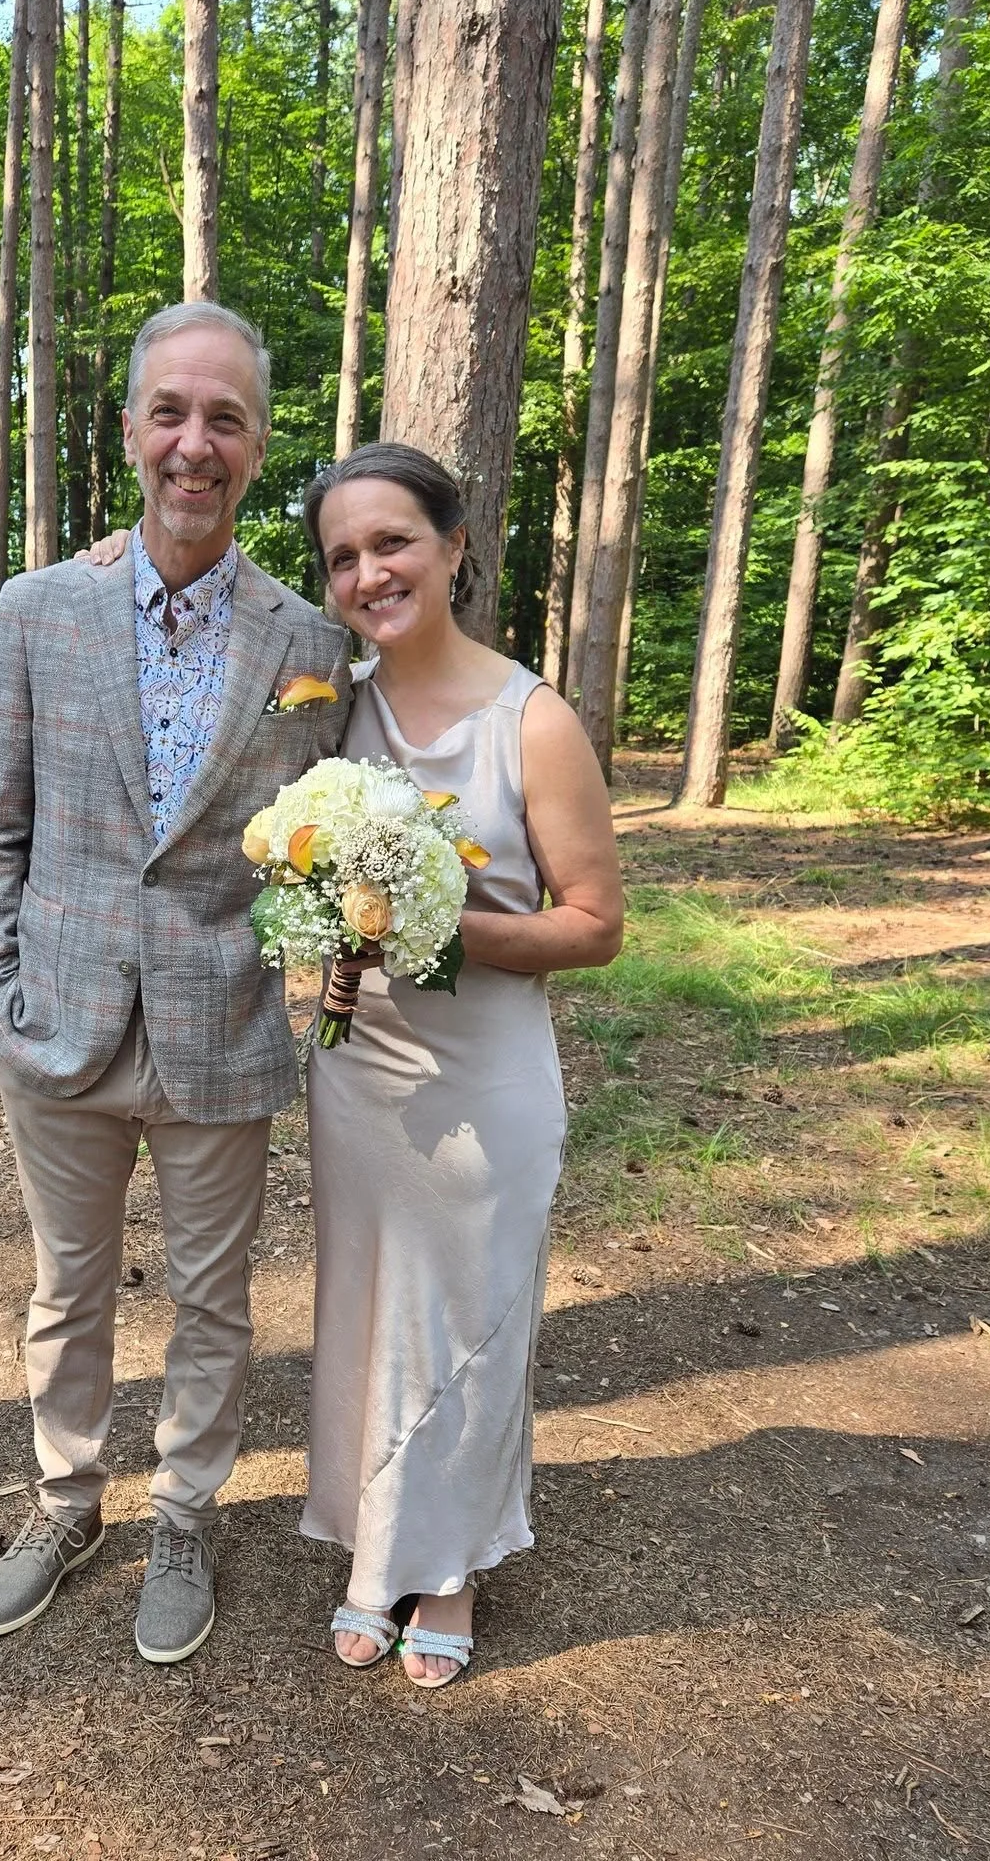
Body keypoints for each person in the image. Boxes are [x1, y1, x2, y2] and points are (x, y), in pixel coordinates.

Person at [0, 302, 350, 1665]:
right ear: (130, 430)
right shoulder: (39, 610)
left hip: (221, 1029)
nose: (195, 443)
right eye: (171, 412)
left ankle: (184, 1516)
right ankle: (66, 1504)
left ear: (257, 445)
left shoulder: (309, 646)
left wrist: (319, 980)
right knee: (68, 1291)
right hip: (54, 1024)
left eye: (224, 418)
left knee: (213, 1298)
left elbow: (329, 835)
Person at [300, 442, 624, 1688]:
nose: (369, 573)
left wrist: (440, 925)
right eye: (343, 556)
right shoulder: (330, 702)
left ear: (452, 546)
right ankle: (375, 1541)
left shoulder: (531, 722)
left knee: (472, 1323)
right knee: (369, 1313)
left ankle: (450, 1564)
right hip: (360, 1072)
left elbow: (593, 926)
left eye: (392, 542)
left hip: (486, 1077)